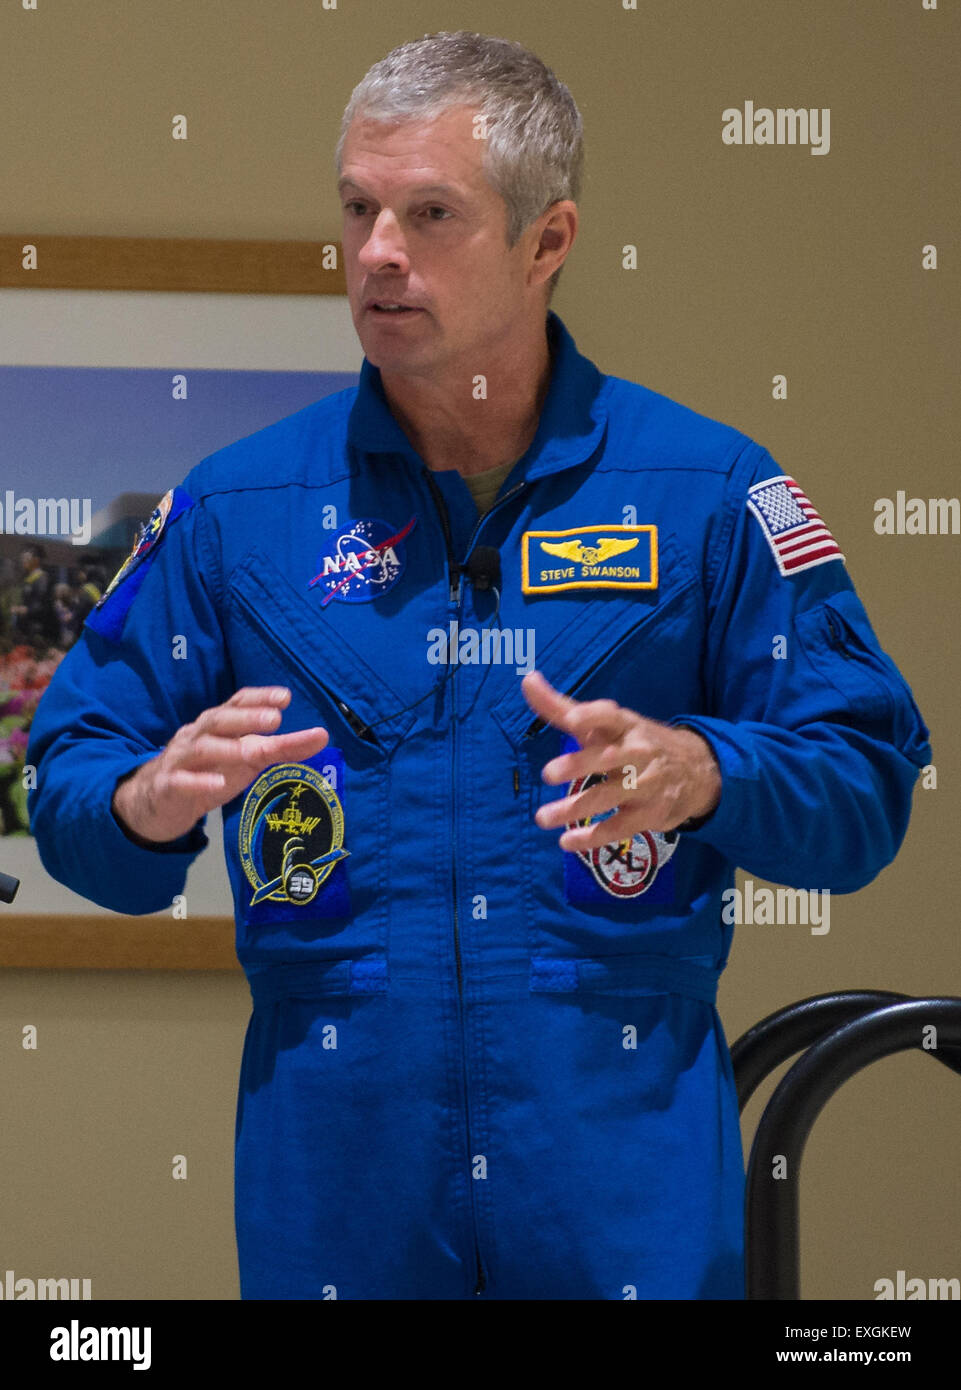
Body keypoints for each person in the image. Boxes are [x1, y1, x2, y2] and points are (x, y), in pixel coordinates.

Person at [26, 31, 931, 1301]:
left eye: (430, 213)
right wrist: (143, 799)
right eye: (358, 208)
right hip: (338, 1200)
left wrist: (710, 769)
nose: (377, 250)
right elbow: (64, 781)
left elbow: (866, 781)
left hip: (622, 1199)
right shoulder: (240, 511)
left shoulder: (712, 493)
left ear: (545, 242)